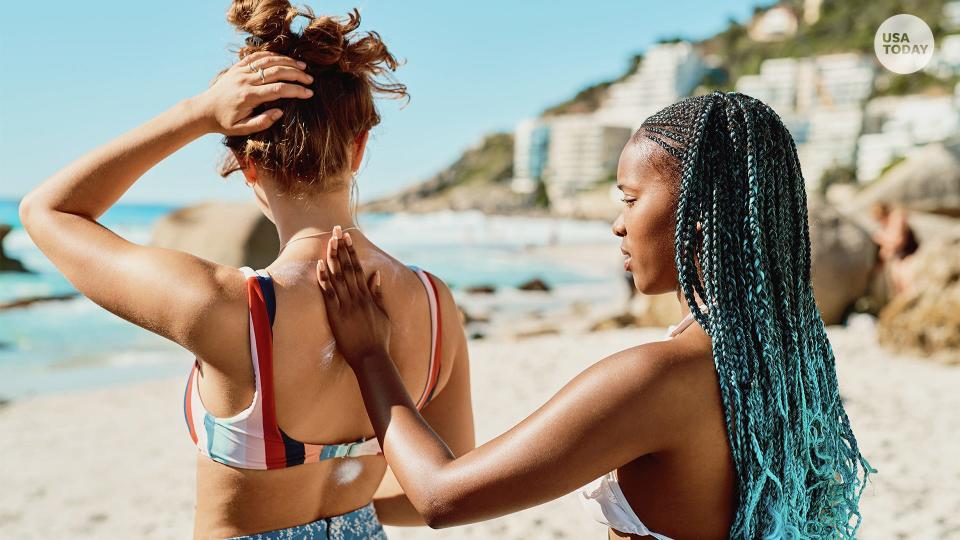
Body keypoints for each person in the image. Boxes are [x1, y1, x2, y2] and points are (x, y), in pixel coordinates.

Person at [314, 91, 875, 539]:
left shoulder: (656, 378)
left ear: (696, 219)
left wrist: (369, 353)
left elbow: (441, 496)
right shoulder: (785, 367)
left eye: (630, 199)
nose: (617, 225)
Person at [18, 1, 474, 538]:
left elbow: (48, 211)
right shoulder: (434, 303)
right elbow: (437, 492)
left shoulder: (226, 305)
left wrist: (197, 112)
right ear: (359, 148)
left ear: (247, 164)